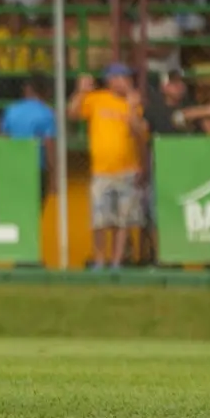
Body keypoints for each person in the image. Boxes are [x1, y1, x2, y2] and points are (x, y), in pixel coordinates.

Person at [68, 65, 147, 269]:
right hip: (101, 171)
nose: (126, 82)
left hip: (127, 169)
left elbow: (139, 134)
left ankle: (116, 261)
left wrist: (131, 107)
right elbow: (73, 114)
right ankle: (100, 260)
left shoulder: (133, 103)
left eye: (127, 78)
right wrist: (80, 92)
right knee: (100, 221)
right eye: (122, 78)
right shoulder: (97, 99)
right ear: (111, 80)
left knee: (123, 221)